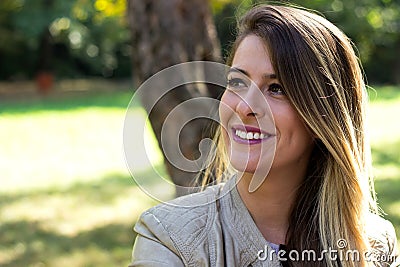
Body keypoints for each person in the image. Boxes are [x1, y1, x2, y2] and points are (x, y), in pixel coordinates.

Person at [129, 4, 398, 267]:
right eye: (237, 82)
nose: (244, 107)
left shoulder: (373, 244)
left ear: (323, 117)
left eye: (276, 88)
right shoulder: (170, 238)